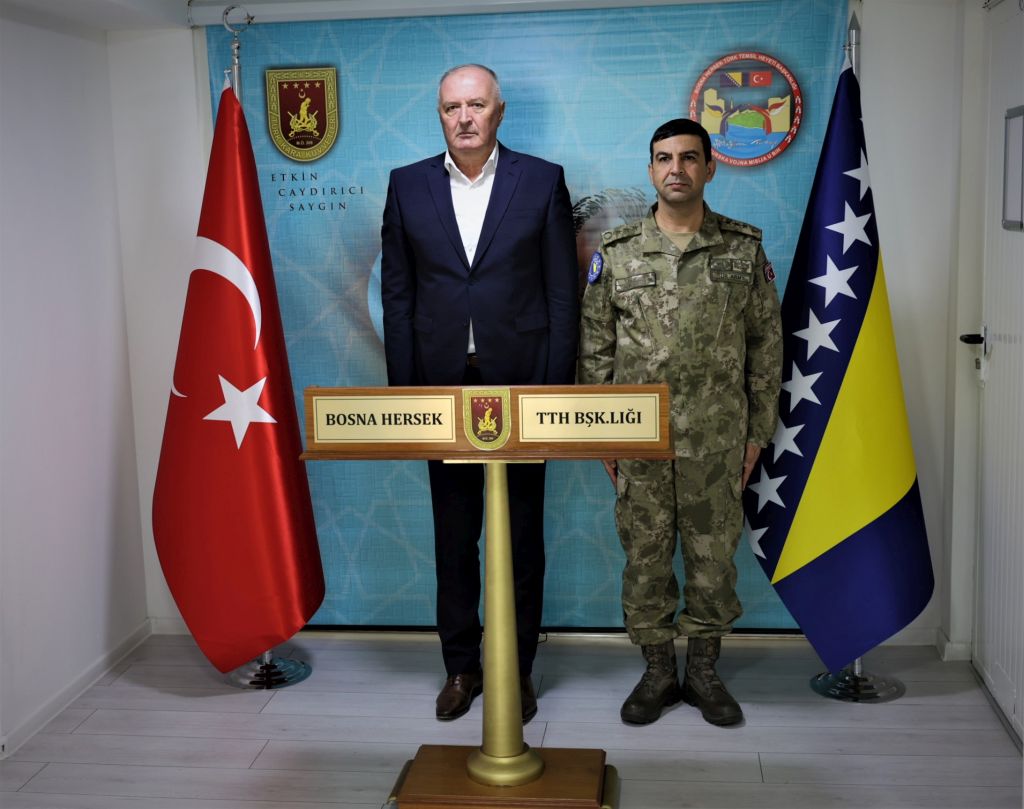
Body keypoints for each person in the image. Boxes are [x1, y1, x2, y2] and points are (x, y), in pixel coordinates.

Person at [380, 64, 579, 724]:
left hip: (522, 384)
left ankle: (514, 670)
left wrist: (554, 393)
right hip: (440, 389)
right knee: (454, 536)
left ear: (499, 111)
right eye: (451, 107)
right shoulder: (406, 185)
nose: (463, 118)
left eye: (476, 105)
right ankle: (462, 667)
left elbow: (561, 293)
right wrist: (405, 397)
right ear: (440, 115)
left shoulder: (541, 180)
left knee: (520, 538)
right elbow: (398, 296)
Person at [578, 118, 782, 726]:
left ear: (709, 168)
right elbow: (595, 349)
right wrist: (602, 434)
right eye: (664, 158)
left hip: (717, 439)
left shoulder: (742, 249)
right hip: (639, 439)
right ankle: (658, 670)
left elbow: (766, 346)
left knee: (713, 560)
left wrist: (757, 433)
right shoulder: (617, 253)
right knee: (644, 558)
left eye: (689, 158)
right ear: (650, 170)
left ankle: (704, 671)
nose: (676, 169)